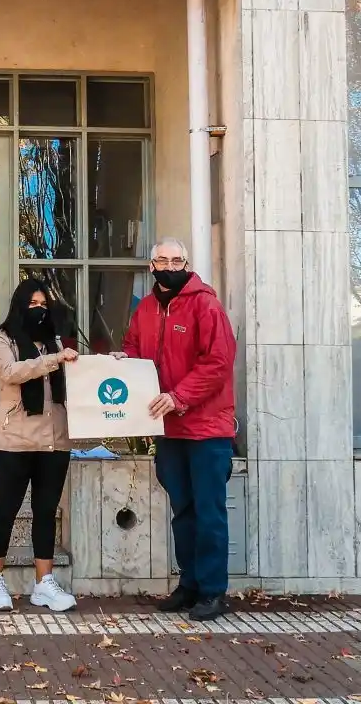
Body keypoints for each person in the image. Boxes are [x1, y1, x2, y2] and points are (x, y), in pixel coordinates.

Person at [113, 238, 236, 622]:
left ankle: (213, 591)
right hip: (169, 430)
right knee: (182, 511)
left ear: (187, 263)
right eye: (162, 260)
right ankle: (190, 585)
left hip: (207, 429)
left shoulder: (206, 305)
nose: (169, 265)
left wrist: (179, 397)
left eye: (176, 259)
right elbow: (136, 349)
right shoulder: (146, 309)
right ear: (151, 266)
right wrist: (123, 360)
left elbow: (218, 363)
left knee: (209, 512)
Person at [0, 277, 80, 613]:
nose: (39, 310)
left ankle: (44, 584)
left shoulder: (55, 342)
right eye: (32, 304)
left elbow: (78, 378)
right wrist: (53, 360)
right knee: (6, 510)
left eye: (44, 305)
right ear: (19, 305)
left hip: (54, 442)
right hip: (13, 442)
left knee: (45, 512)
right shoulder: (1, 339)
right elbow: (10, 373)